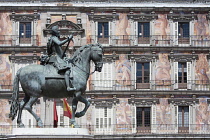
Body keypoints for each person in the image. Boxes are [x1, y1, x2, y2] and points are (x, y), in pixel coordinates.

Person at [46, 25, 76, 92]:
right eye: (58, 30)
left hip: (58, 57)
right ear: (55, 31)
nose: (59, 32)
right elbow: (59, 43)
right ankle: (68, 87)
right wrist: (68, 38)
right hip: (55, 58)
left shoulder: (53, 38)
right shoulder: (53, 38)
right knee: (67, 69)